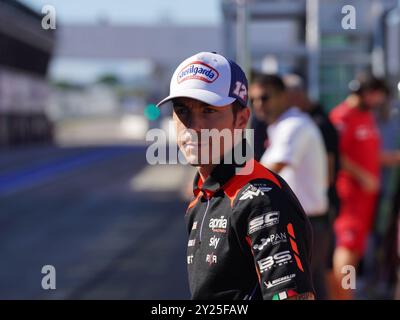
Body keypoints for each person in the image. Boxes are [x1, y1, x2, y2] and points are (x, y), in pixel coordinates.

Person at [156, 51, 315, 300]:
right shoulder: (202, 197)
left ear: (241, 120)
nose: (193, 127)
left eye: (208, 111)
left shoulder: (260, 198)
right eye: (182, 110)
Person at [250, 74, 329, 299]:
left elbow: (266, 173)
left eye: (265, 98)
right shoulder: (284, 126)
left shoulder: (293, 126)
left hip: (306, 224)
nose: (258, 105)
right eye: (253, 100)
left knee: (300, 294)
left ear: (284, 97)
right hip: (306, 223)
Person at [329, 74, 400, 299]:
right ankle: (345, 294)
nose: (380, 101)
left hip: (366, 198)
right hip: (351, 195)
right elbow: (337, 155)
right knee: (348, 248)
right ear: (368, 93)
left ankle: (347, 291)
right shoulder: (343, 116)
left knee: (356, 247)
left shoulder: (366, 117)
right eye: (378, 95)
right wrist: (363, 177)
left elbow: (369, 154)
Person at [283, 74, 340, 299]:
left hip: (319, 212)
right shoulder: (307, 120)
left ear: (296, 95)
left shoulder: (316, 123)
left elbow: (328, 171)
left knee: (313, 278)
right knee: (316, 278)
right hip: (318, 210)